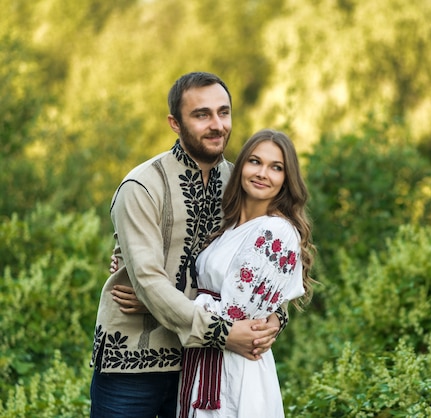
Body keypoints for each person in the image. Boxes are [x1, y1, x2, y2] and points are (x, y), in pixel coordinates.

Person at [90, 72, 287, 418]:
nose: (217, 125)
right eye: (201, 115)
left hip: (204, 366)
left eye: (223, 113)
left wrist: (275, 315)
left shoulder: (239, 182)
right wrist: (221, 331)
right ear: (175, 123)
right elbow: (149, 282)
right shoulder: (141, 186)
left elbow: (271, 253)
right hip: (134, 363)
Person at [178, 128, 316, 418]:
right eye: (255, 162)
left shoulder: (276, 232)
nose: (263, 173)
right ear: (240, 167)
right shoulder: (227, 228)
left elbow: (237, 313)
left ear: (286, 179)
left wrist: (156, 303)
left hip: (236, 369)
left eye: (276, 167)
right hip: (206, 358)